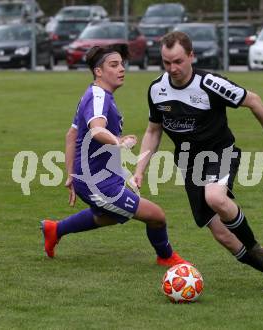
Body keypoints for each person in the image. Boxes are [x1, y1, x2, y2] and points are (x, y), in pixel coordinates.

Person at [132, 32, 263, 291]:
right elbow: (153, 131)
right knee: (222, 235)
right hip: (189, 165)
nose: (173, 68)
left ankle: (254, 246)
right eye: (166, 62)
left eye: (178, 61)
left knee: (215, 197)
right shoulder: (157, 90)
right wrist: (140, 170)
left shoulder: (210, 84)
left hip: (220, 153)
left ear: (192, 56)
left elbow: (253, 100)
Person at [41, 44, 190, 267]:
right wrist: (117, 141)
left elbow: (72, 134)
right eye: (114, 65)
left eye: (122, 64)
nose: (121, 69)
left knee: (109, 216)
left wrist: (71, 173)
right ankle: (166, 257)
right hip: (97, 182)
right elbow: (96, 129)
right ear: (98, 71)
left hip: (98, 177)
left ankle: (55, 229)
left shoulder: (93, 94)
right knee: (156, 216)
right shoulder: (98, 97)